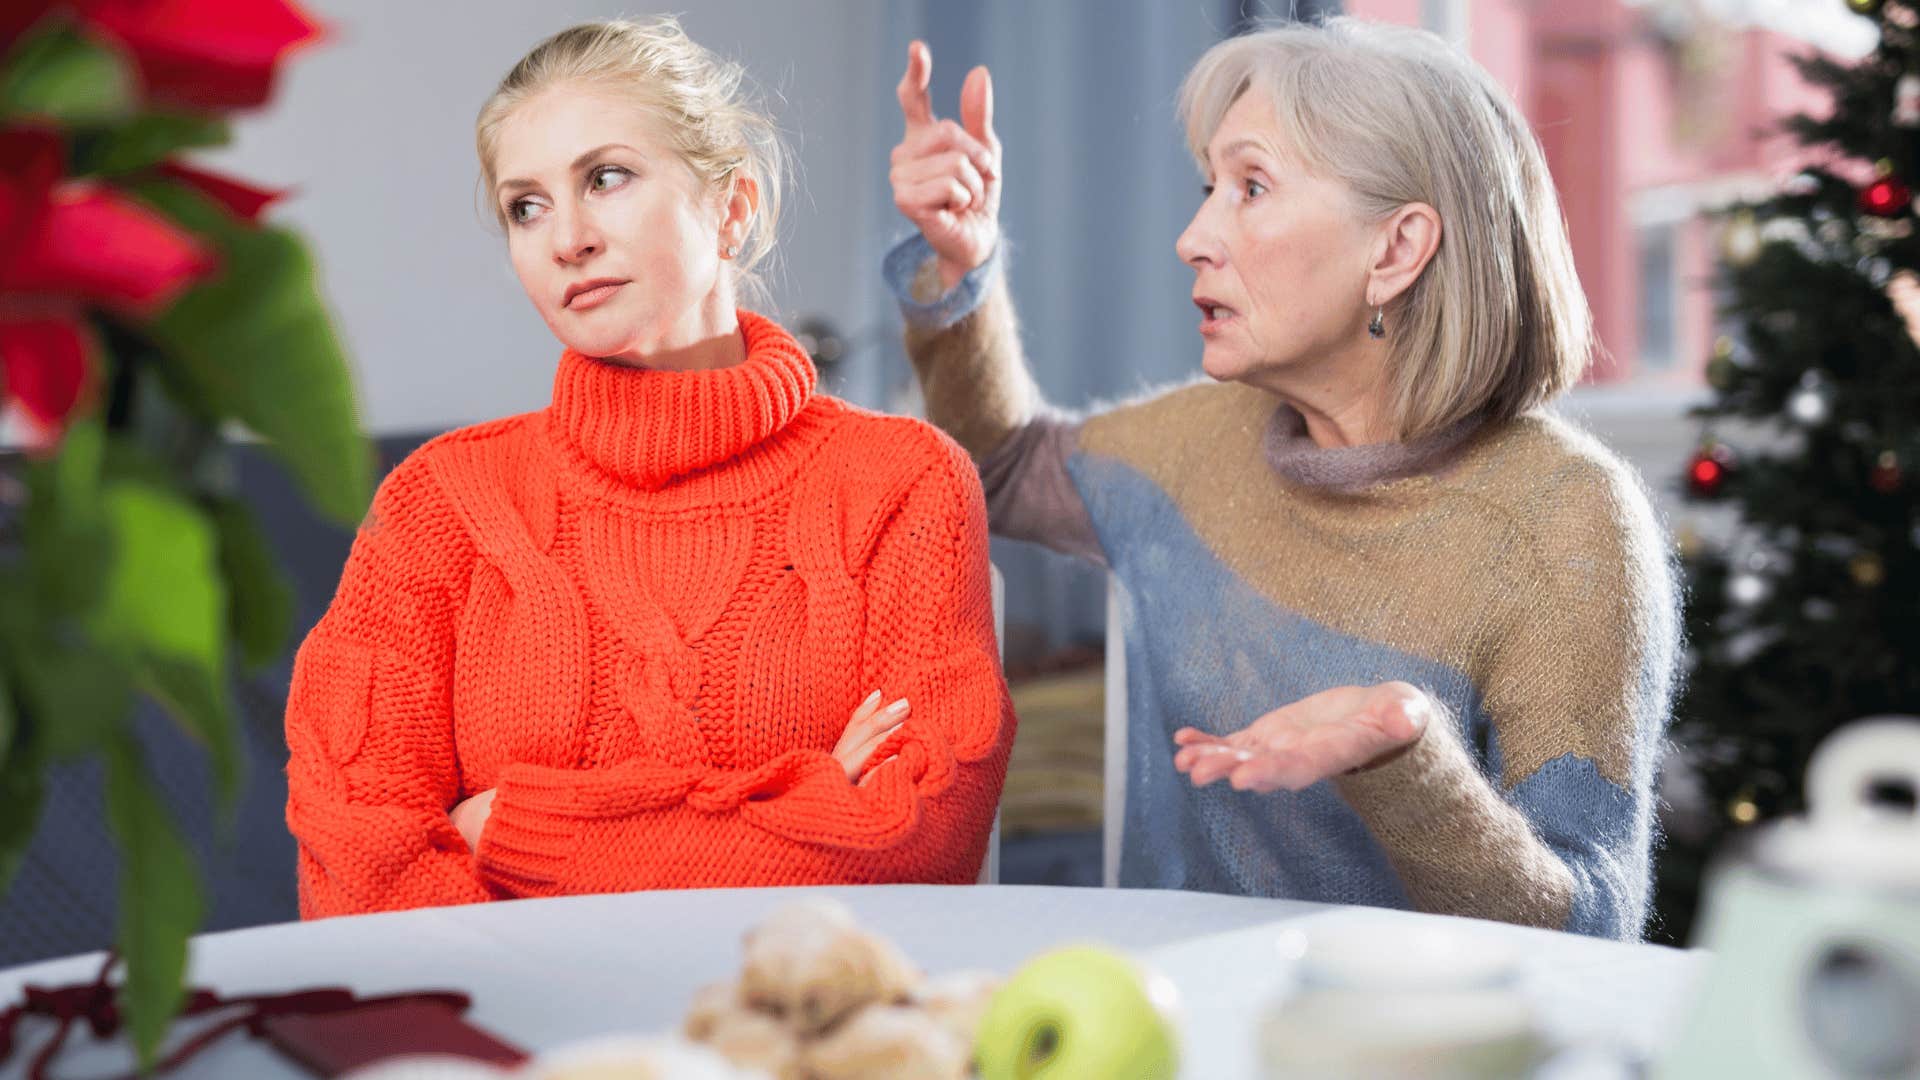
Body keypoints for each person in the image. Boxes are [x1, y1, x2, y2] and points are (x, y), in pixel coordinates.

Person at [883, 18, 1679, 939]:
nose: (1192, 237)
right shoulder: (1201, 442)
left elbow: (1592, 934)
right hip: (1170, 1020)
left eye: (1251, 187)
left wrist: (1408, 761)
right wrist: (962, 265)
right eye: (1209, 187)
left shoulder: (1564, 525)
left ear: (1396, 251)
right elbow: (1003, 466)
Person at [285, 17, 1013, 919]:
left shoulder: (902, 484)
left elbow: (915, 846)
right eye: (527, 205)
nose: (567, 239)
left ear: (733, 206)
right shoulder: (439, 506)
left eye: (607, 177)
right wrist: (803, 798)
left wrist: (510, 826)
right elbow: (356, 876)